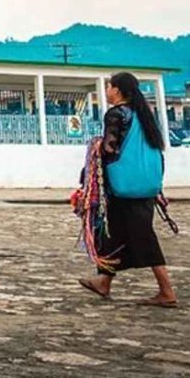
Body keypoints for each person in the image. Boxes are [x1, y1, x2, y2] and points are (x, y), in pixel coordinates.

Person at [79, 72, 178, 307]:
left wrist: (95, 147)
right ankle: (104, 280)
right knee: (115, 232)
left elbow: (110, 148)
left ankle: (167, 290)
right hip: (146, 184)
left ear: (118, 90)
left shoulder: (116, 114)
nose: (107, 91)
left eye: (109, 87)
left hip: (123, 187)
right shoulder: (144, 116)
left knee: (142, 237)